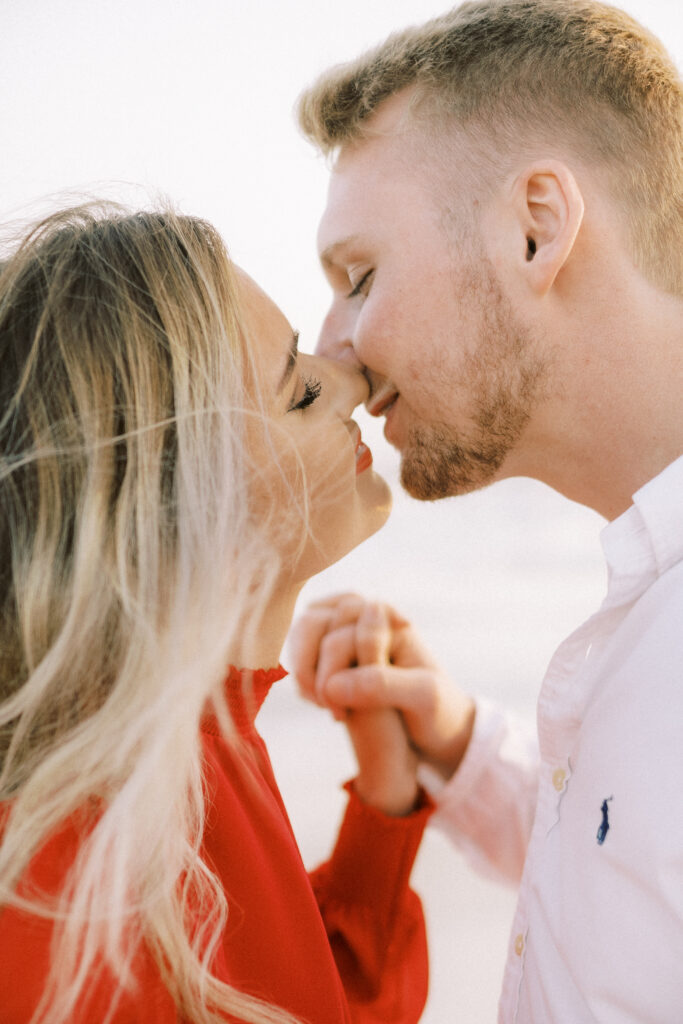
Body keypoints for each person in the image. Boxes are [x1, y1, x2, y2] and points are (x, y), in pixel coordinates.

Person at [290, 1, 683, 1021]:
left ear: (533, 228)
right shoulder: (645, 609)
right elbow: (623, 874)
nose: (334, 350)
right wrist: (459, 742)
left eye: (360, 276)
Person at [0, 202, 432, 1024]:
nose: (356, 379)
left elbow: (274, 993)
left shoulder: (190, 754)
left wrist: (384, 797)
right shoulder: (53, 897)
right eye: (301, 390)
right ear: (174, 503)